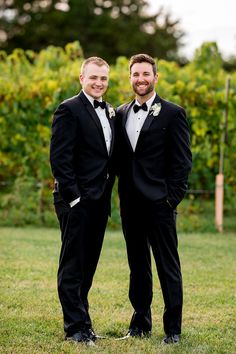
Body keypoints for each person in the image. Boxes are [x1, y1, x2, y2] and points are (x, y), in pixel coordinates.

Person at [115, 54, 192, 344]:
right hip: (130, 205)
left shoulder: (173, 113)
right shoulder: (120, 113)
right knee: (137, 265)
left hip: (160, 204)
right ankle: (140, 324)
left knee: (167, 266)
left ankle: (172, 329)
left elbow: (182, 162)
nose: (141, 79)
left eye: (146, 73)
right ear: (130, 77)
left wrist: (171, 199)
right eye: (136, 74)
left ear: (156, 77)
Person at [50, 57, 115, 346]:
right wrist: (74, 199)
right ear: (81, 78)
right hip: (75, 201)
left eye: (103, 78)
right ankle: (74, 328)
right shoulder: (68, 109)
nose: (99, 83)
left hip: (100, 202)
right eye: (93, 78)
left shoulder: (109, 112)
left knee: (88, 266)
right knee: (73, 266)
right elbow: (60, 160)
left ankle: (84, 323)